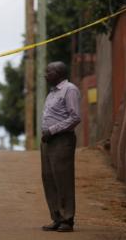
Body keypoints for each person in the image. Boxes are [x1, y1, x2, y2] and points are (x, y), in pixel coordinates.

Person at [40, 61, 81, 232]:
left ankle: (67, 219)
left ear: (59, 73)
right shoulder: (52, 93)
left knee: (63, 179)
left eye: (48, 72)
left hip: (62, 140)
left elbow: (75, 117)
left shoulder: (69, 89)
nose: (45, 75)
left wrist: (53, 130)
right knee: (49, 178)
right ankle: (56, 217)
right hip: (48, 140)